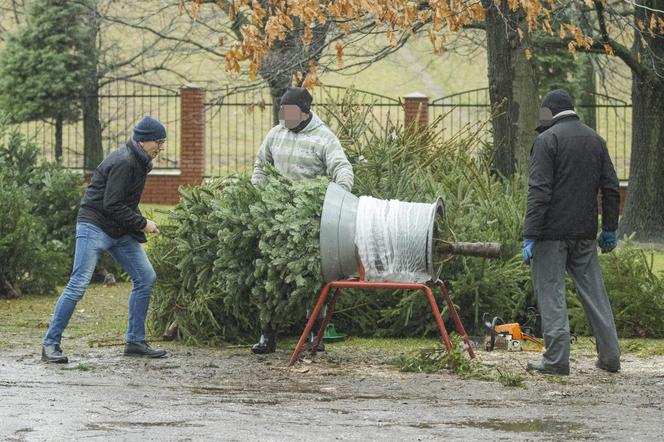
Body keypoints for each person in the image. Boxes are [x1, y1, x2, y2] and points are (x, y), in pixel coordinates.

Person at [41, 116, 168, 363]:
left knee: (145, 277)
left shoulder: (139, 161)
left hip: (118, 229)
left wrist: (136, 225)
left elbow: (124, 202)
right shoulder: (124, 161)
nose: (161, 147)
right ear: (144, 140)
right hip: (94, 225)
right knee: (78, 284)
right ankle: (50, 344)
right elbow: (112, 204)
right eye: (159, 142)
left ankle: (135, 341)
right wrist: (143, 223)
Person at [523, 89, 621, 376]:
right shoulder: (595, 140)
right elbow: (612, 188)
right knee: (595, 294)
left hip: (551, 234)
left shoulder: (546, 140)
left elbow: (539, 190)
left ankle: (556, 360)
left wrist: (530, 234)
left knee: (552, 293)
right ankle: (610, 357)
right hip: (585, 233)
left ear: (549, 113)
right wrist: (610, 229)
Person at [250, 87, 354, 354]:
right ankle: (267, 335)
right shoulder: (276, 134)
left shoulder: (324, 138)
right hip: (275, 215)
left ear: (305, 111)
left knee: (310, 279)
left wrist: (339, 195)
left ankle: (314, 336)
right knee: (269, 275)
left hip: (309, 220)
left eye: (290, 111)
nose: (284, 116)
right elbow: (262, 164)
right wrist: (255, 195)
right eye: (282, 111)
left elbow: (341, 167)